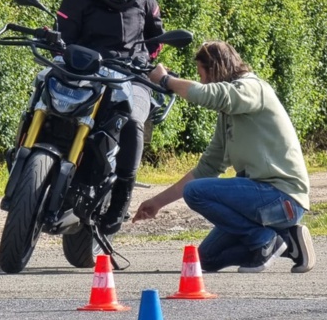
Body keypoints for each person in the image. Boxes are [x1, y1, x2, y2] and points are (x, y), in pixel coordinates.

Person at [133, 41, 316, 273]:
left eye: (202, 74)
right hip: (264, 201)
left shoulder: (252, 88)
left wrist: (164, 80)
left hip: (282, 198)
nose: (201, 81)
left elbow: (210, 95)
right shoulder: (228, 115)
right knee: (204, 260)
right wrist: (156, 202)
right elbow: (207, 167)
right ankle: (288, 241)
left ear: (216, 69)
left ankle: (263, 239)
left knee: (195, 191)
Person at [57, 0, 165, 235]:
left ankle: (120, 202)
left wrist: (141, 62)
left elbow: (155, 39)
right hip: (85, 71)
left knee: (132, 122)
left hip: (132, 75)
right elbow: (63, 36)